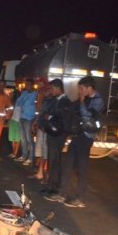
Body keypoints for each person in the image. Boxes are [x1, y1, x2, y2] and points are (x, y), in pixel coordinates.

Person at [44, 76, 104, 208]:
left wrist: (82, 102)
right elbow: (72, 111)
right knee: (67, 164)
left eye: (82, 88)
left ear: (89, 88)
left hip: (86, 137)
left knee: (82, 168)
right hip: (77, 135)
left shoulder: (97, 100)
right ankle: (62, 193)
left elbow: (87, 116)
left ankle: (80, 198)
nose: (80, 91)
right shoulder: (85, 99)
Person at [41, 79, 71, 196]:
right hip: (52, 134)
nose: (50, 91)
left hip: (58, 135)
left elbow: (62, 118)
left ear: (58, 88)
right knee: (51, 160)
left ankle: (54, 187)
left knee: (55, 161)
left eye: (52, 89)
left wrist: (49, 117)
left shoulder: (65, 102)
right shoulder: (55, 100)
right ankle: (50, 185)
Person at [14, 79, 37, 166]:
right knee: (22, 138)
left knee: (29, 139)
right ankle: (24, 156)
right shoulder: (24, 93)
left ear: (32, 85)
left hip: (29, 119)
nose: (26, 86)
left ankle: (31, 158)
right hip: (22, 117)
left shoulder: (36, 94)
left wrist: (35, 120)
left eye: (28, 85)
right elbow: (18, 102)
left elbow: (37, 107)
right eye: (25, 85)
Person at [30, 86, 51, 180]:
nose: (42, 92)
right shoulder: (45, 101)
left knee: (47, 153)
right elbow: (41, 114)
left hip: (47, 130)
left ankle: (47, 175)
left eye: (44, 91)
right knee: (41, 152)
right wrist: (35, 123)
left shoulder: (52, 102)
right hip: (41, 128)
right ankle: (40, 173)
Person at [7, 87, 21, 158]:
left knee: (16, 138)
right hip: (13, 120)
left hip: (17, 121)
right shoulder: (11, 102)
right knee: (13, 137)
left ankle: (15, 152)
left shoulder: (19, 102)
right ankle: (14, 152)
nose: (10, 94)